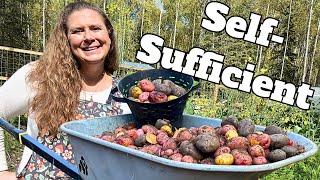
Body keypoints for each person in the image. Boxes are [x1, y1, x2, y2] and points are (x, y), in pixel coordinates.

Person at [0, 1, 130, 179]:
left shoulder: (124, 94)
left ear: (109, 33)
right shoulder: (40, 77)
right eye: (77, 31)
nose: (88, 37)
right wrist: (2, 172)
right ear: (65, 39)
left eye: (95, 28)